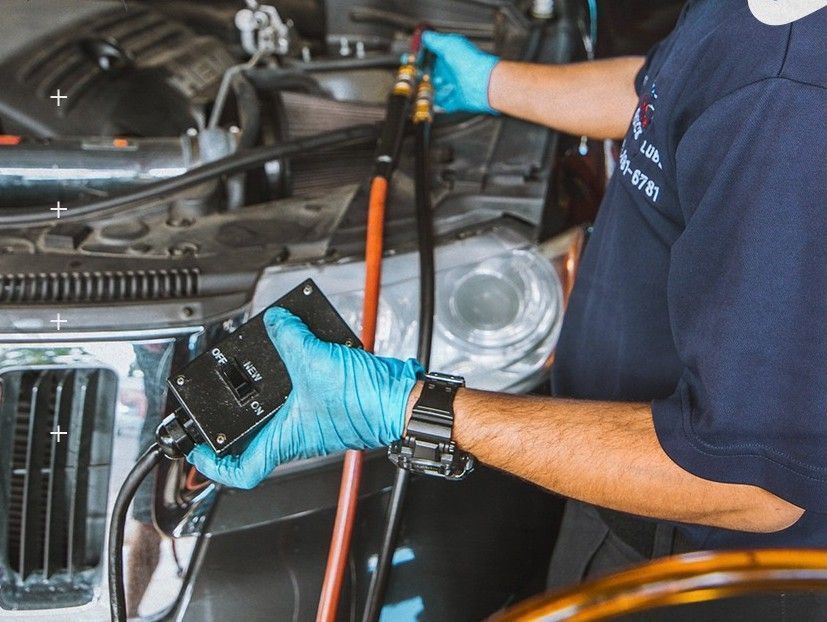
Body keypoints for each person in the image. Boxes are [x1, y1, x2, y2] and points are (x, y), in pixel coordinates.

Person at [188, 1, 826, 618]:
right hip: (618, 488)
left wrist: (408, 409)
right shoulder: (762, 15)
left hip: (700, 564)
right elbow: (658, 102)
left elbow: (748, 484)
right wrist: (493, 82)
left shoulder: (797, 105)